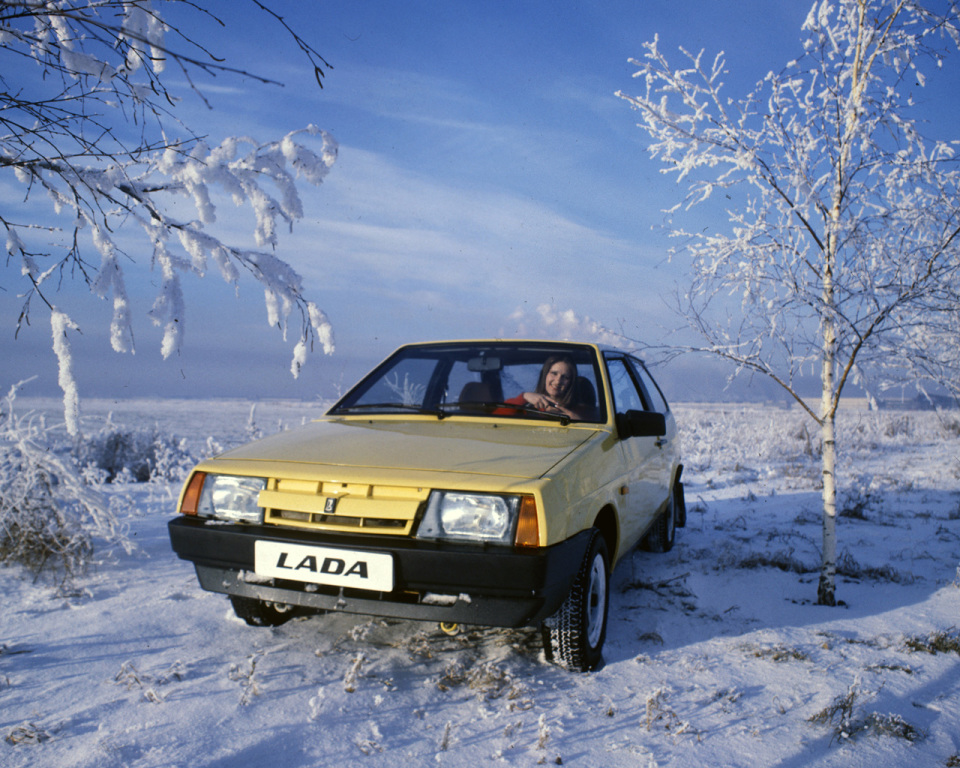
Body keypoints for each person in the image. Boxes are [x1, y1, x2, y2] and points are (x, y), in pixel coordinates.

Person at [501, 355, 585, 420]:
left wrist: (578, 421)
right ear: (545, 375)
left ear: (570, 382)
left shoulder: (580, 411)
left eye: (565, 377)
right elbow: (497, 418)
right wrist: (524, 397)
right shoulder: (526, 406)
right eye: (554, 373)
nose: (558, 381)